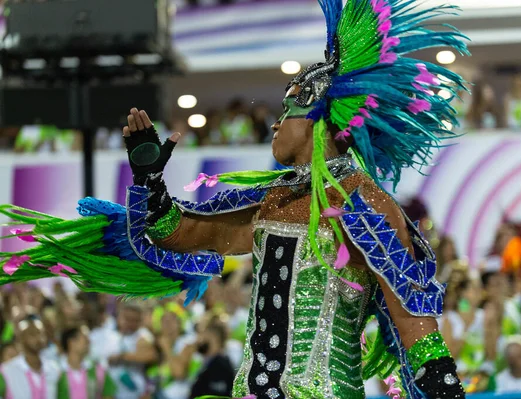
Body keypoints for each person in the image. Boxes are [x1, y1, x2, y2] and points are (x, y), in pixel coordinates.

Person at [0, 0, 469, 398]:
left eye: (289, 109)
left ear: (320, 118)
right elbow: (178, 234)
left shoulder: (367, 205)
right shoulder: (273, 198)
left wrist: (445, 387)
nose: (275, 122)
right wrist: (149, 180)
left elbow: (414, 326)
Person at [0, 315, 61, 399]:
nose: (38, 338)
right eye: (32, 334)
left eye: (41, 333)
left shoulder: (54, 369)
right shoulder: (6, 370)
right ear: (21, 338)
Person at [108, 304, 158, 399]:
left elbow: (151, 356)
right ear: (119, 317)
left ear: (140, 321)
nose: (130, 323)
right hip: (113, 389)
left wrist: (122, 356)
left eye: (134, 320)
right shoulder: (111, 334)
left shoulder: (142, 336)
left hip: (134, 390)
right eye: (127, 319)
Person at [57, 326, 117, 399]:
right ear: (71, 343)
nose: (89, 342)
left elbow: (109, 394)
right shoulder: (56, 371)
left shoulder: (97, 369)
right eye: (85, 338)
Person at [188, 318, 236, 399]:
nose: (198, 339)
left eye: (202, 334)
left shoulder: (222, 366)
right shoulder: (206, 361)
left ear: (213, 336)